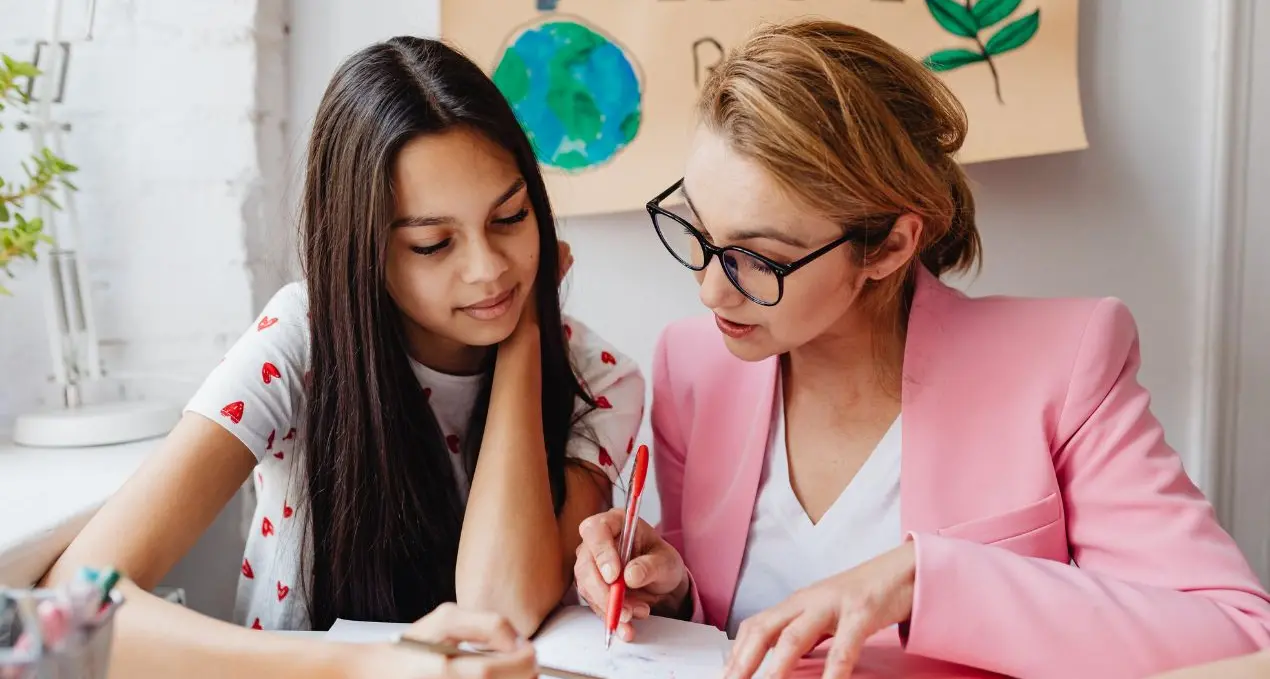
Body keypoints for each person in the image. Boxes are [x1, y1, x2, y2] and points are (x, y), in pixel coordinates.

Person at [573, 17, 1270, 679]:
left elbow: (1236, 633)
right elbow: (725, 619)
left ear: (890, 246)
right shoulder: (697, 364)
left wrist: (921, 581)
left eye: (759, 258)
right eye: (696, 228)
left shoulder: (1063, 365)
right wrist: (670, 589)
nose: (710, 292)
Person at [39, 36, 644, 678]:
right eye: (434, 244)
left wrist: (528, 338)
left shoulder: (597, 375)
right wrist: (368, 666)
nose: (488, 269)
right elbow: (69, 606)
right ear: (361, 248)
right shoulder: (302, 340)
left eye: (510, 218)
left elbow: (505, 603)